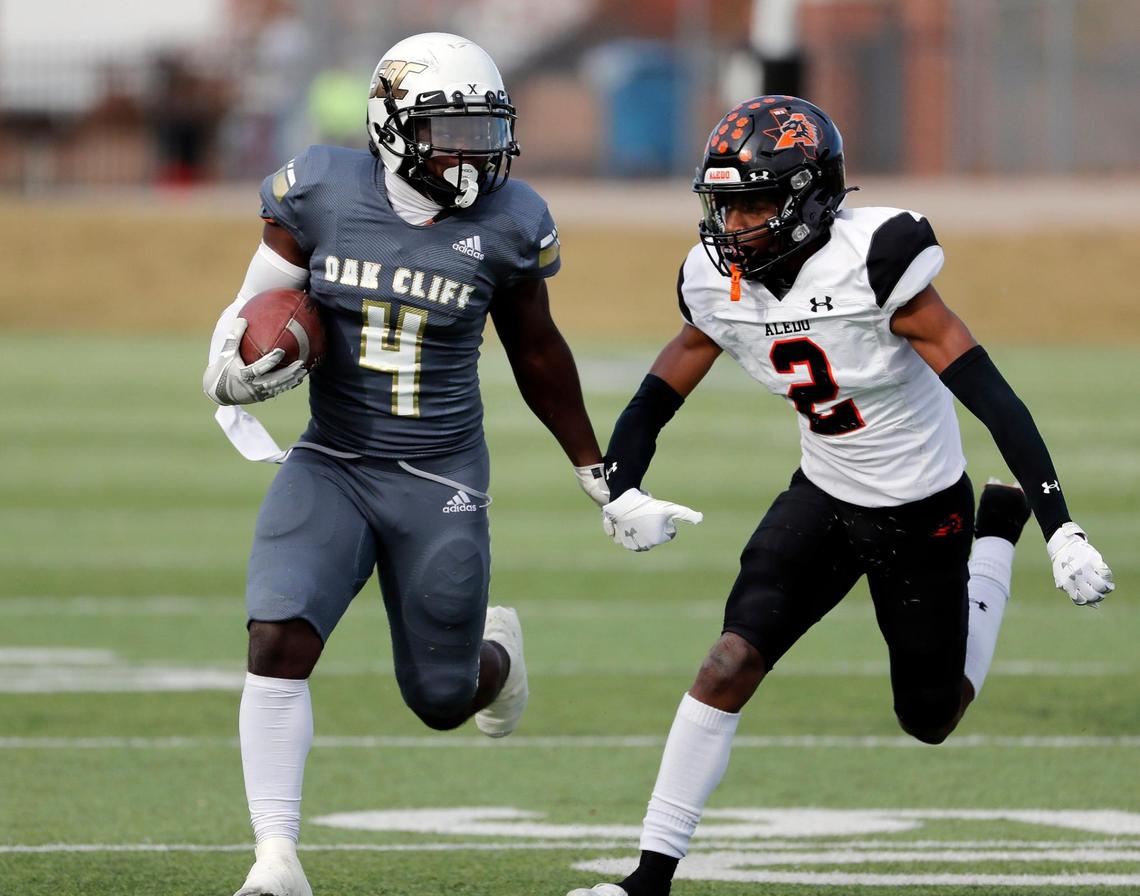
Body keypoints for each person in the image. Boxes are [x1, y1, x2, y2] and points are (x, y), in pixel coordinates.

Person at [569, 95, 1114, 896]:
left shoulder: (878, 260)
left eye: (755, 201)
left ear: (810, 196)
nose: (735, 223)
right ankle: (647, 878)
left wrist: (1062, 526)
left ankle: (998, 534)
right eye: (726, 204)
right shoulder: (716, 282)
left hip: (924, 506)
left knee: (930, 718)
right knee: (729, 660)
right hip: (824, 491)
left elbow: (994, 398)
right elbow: (662, 387)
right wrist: (621, 485)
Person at [201, 32, 607, 896]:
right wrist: (229, 372)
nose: (473, 149)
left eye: (485, 127)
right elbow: (252, 308)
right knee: (276, 637)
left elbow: (537, 352)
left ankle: (497, 658)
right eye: (450, 127)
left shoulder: (511, 221)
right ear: (391, 125)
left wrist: (595, 469)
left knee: (439, 698)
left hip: (439, 479)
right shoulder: (317, 188)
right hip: (334, 461)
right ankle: (276, 859)